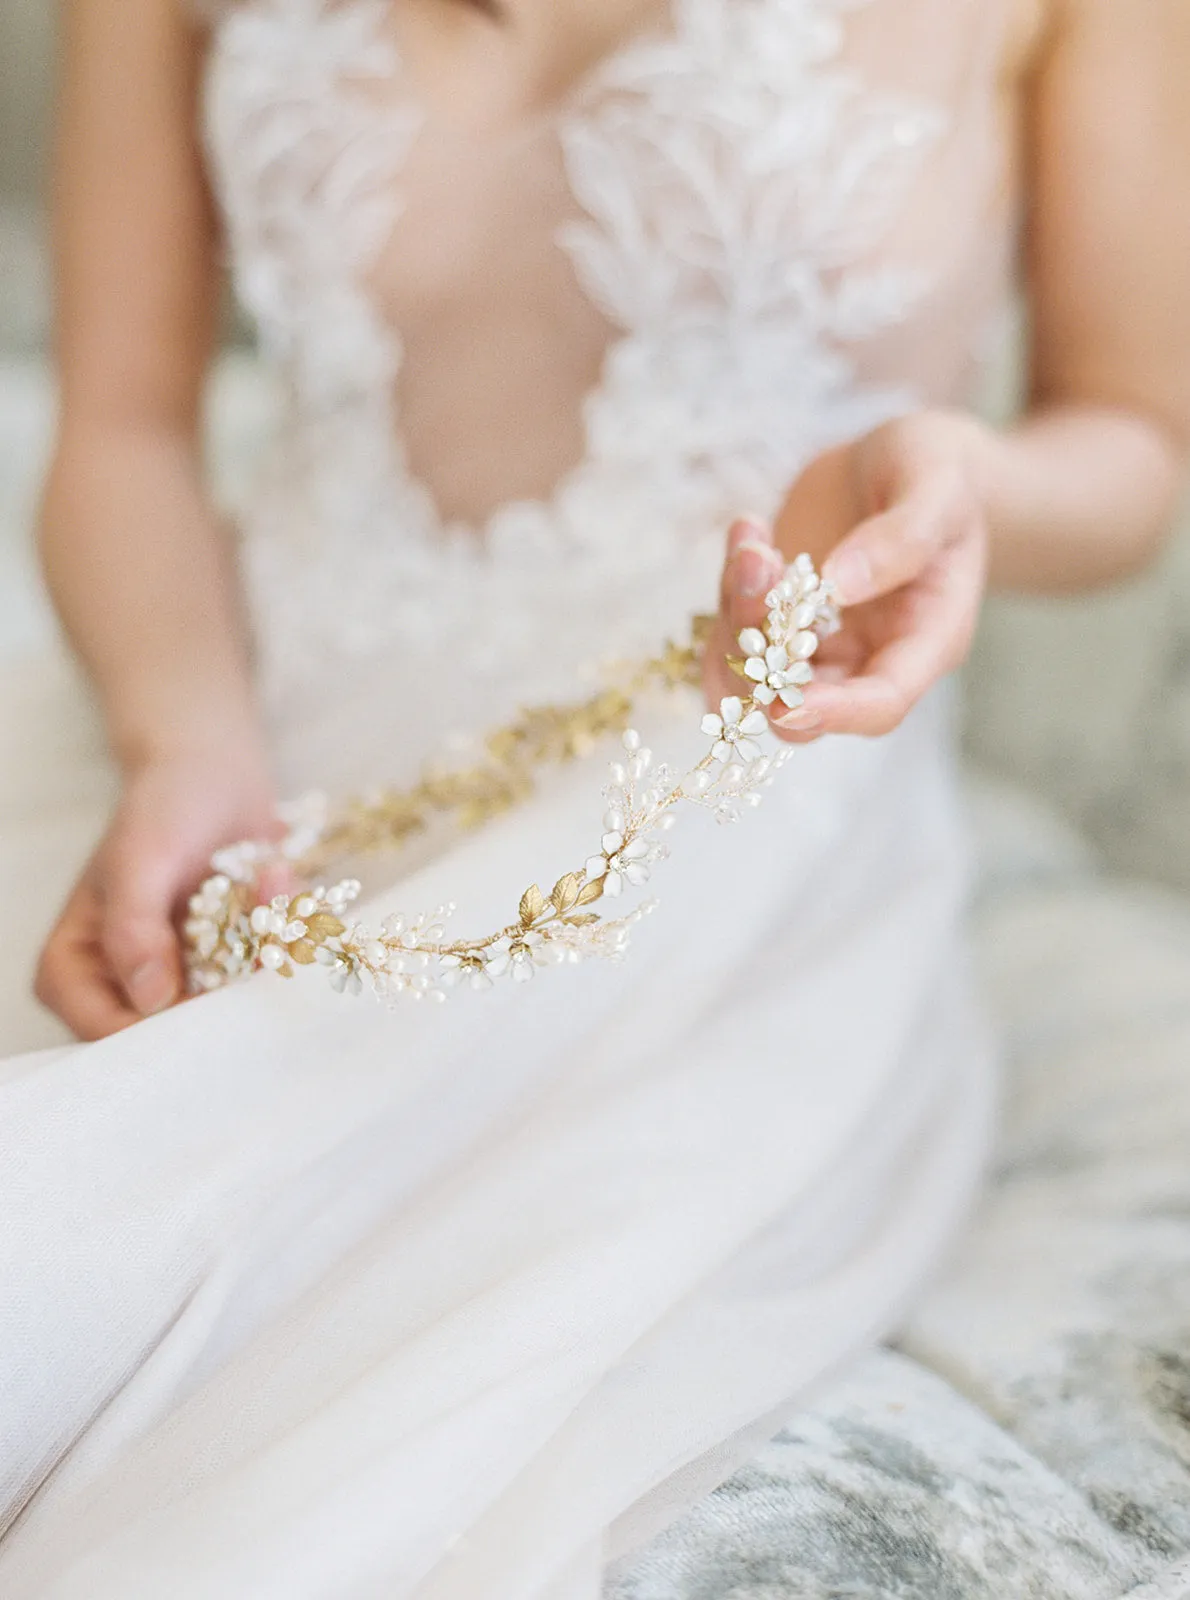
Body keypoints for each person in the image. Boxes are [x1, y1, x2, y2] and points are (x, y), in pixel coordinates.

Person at [1, 0, 1187, 1593]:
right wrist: (183, 742)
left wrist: (965, 474)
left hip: (732, 816)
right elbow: (125, 425)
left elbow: (1132, 434)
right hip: (245, 745)